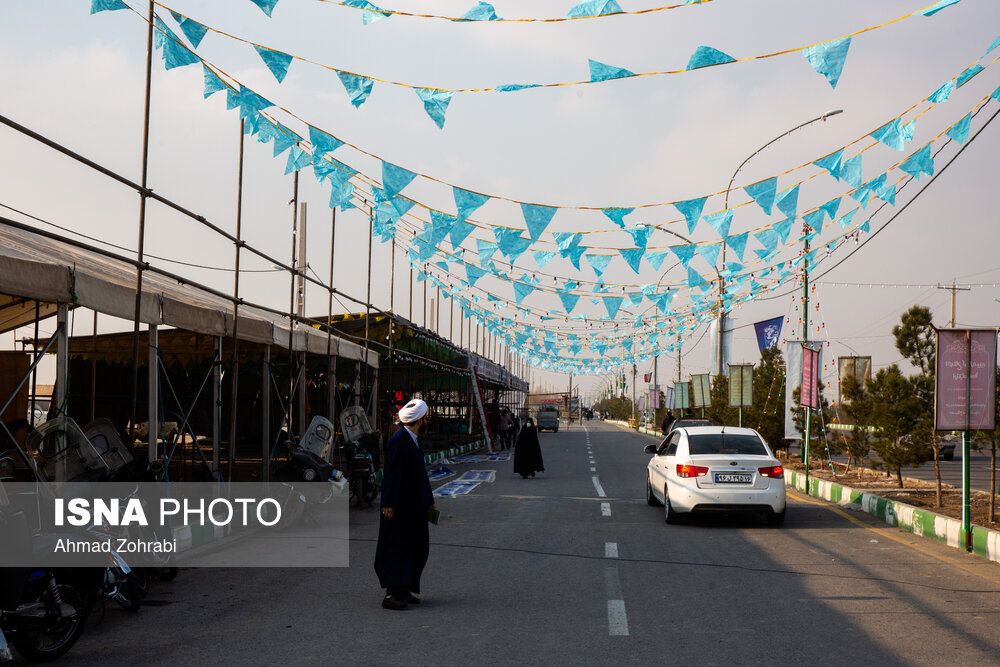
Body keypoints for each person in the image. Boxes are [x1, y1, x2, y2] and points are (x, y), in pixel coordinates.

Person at [373, 398, 435, 611]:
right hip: (398, 507)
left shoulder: (414, 439)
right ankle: (391, 594)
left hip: (414, 506)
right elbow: (391, 474)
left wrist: (429, 500)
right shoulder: (399, 440)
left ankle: (404, 589)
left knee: (414, 546)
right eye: (425, 418)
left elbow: (421, 474)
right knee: (397, 548)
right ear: (419, 421)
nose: (427, 421)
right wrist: (388, 503)